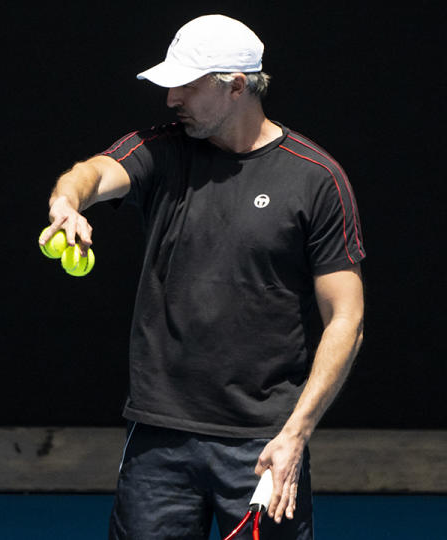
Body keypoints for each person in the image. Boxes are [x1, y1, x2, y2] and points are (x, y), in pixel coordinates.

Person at [39, 14, 365, 539]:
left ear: (236, 86)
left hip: (265, 445)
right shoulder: (162, 151)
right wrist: (67, 201)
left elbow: (346, 319)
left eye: (185, 85)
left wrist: (296, 433)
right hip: (159, 441)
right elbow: (93, 172)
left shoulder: (317, 179)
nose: (171, 100)